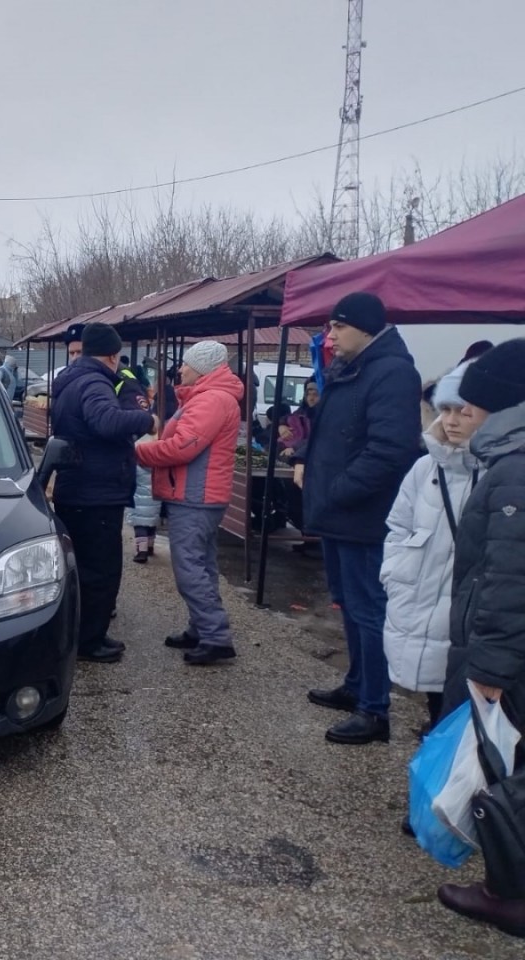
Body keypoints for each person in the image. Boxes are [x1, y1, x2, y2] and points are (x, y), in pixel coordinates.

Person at [297, 292, 422, 745]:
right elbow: (331, 431)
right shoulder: (350, 368)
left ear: (366, 329)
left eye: (337, 327)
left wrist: (337, 490)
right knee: (347, 604)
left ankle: (375, 710)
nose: (329, 336)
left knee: (369, 610)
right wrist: (305, 458)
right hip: (336, 514)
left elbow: (390, 450)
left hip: (363, 516)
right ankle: (355, 686)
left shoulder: (391, 373)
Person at [433, 339, 525, 938]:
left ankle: (509, 892)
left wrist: (489, 665)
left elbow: (509, 579)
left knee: (509, 771)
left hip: (511, 657)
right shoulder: (506, 460)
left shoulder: (516, 470)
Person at [381, 362, 484, 731]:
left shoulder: (497, 474)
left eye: (462, 410)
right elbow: (398, 525)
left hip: (466, 611)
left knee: (466, 705)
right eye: (445, 409)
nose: (452, 420)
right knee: (435, 697)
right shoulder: (425, 469)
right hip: (420, 599)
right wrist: (394, 571)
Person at [50, 322, 155, 663]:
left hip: (77, 487)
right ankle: (89, 642)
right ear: (112, 355)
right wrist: (147, 421)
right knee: (100, 571)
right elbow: (107, 421)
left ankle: (78, 633)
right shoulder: (95, 382)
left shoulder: (70, 380)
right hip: (95, 493)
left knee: (80, 568)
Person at [136, 341, 244, 665]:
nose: (180, 369)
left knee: (188, 568)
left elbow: (184, 447)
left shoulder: (211, 400)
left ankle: (215, 635)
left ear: (202, 368)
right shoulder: (210, 397)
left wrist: (138, 452)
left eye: (185, 364)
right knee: (202, 566)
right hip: (198, 494)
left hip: (195, 496)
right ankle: (202, 628)